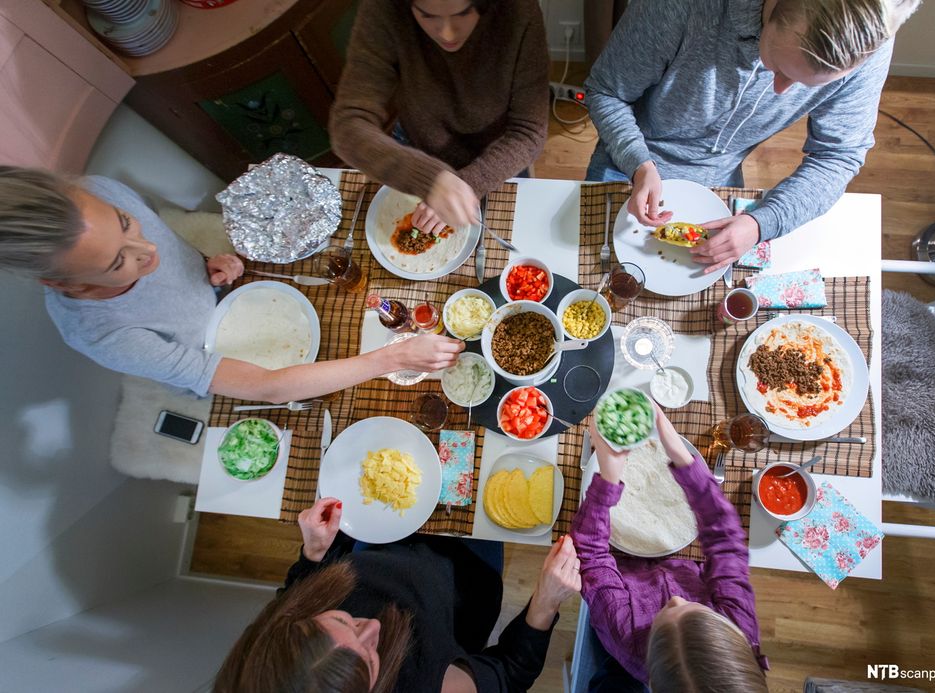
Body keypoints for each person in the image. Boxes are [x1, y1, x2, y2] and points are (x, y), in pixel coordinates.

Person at [0, 167, 463, 401]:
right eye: (120, 261)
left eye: (127, 223)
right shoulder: (102, 335)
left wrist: (206, 263)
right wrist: (393, 357)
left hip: (248, 296)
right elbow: (268, 387)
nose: (149, 252)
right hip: (238, 366)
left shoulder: (100, 191)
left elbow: (167, 255)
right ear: (69, 286)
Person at [584, 0, 921, 272]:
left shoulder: (869, 46)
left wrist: (761, 224)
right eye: (777, 66)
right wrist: (639, 163)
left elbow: (838, 157)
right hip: (629, 155)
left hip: (721, 178)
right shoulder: (684, 7)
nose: (780, 89)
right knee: (590, 267)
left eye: (803, 85)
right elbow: (605, 90)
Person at [215, 496, 582, 692]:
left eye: (344, 619)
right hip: (465, 575)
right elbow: (512, 674)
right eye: (372, 656)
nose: (374, 626)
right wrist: (547, 600)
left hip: (379, 542)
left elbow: (296, 590)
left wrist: (313, 553)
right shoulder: (423, 685)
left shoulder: (277, 643)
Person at [571, 408, 769, 691]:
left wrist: (608, 479)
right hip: (680, 565)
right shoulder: (738, 628)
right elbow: (727, 544)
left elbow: (590, 554)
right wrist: (681, 457)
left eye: (664, 616)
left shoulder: (625, 634)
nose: (676, 599)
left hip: (622, 574)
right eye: (694, 608)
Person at [329, 0, 549, 234]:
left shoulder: (518, 11)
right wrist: (427, 178)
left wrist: (470, 182)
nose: (447, 33)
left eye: (463, 14)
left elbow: (529, 131)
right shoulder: (384, 8)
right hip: (419, 147)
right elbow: (348, 125)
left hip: (502, 151)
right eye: (427, 15)